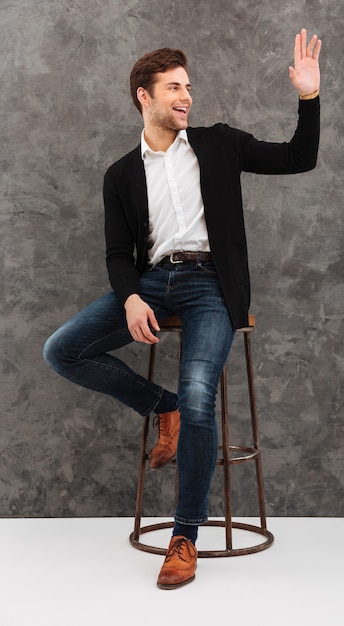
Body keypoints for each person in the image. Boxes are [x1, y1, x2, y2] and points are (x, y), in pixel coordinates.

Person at [43, 28, 321, 589]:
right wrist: (130, 297)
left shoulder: (218, 143)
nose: (186, 96)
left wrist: (308, 97)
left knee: (201, 400)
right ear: (144, 97)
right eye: (174, 88)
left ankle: (184, 536)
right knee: (63, 351)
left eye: (188, 86)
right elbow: (118, 253)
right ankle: (159, 406)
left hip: (209, 285)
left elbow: (299, 158)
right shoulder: (121, 174)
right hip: (150, 282)